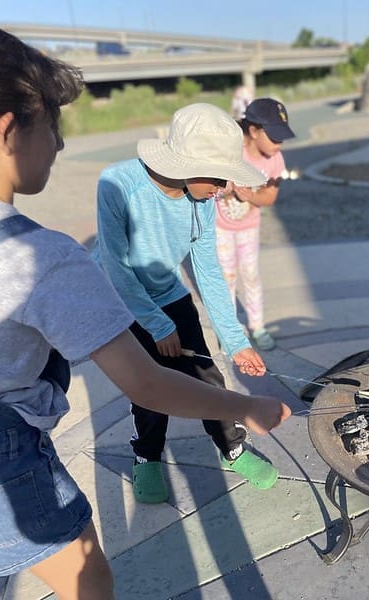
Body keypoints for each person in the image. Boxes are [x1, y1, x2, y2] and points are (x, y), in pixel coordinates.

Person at [0, 23, 289, 599]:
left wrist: (231, 337)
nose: (61, 145)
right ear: (7, 129)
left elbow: (207, 268)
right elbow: (146, 383)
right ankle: (155, 456)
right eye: (54, 125)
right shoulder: (40, 255)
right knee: (91, 581)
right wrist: (249, 406)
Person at [92, 103, 283, 504]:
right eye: (219, 177)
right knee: (149, 388)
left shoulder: (203, 199)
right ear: (187, 164)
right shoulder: (117, 184)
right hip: (125, 301)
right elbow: (115, 265)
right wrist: (158, 325)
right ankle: (146, 457)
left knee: (207, 377)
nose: (223, 189)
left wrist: (236, 341)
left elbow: (208, 268)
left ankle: (232, 447)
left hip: (171, 295)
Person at [215, 98, 296, 351]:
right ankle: (228, 329)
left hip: (249, 226)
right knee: (226, 278)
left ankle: (257, 326)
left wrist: (250, 196)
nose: (279, 143)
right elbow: (211, 185)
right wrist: (228, 189)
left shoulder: (275, 160)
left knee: (250, 274)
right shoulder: (230, 151)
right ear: (253, 131)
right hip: (221, 226)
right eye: (274, 137)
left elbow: (270, 197)